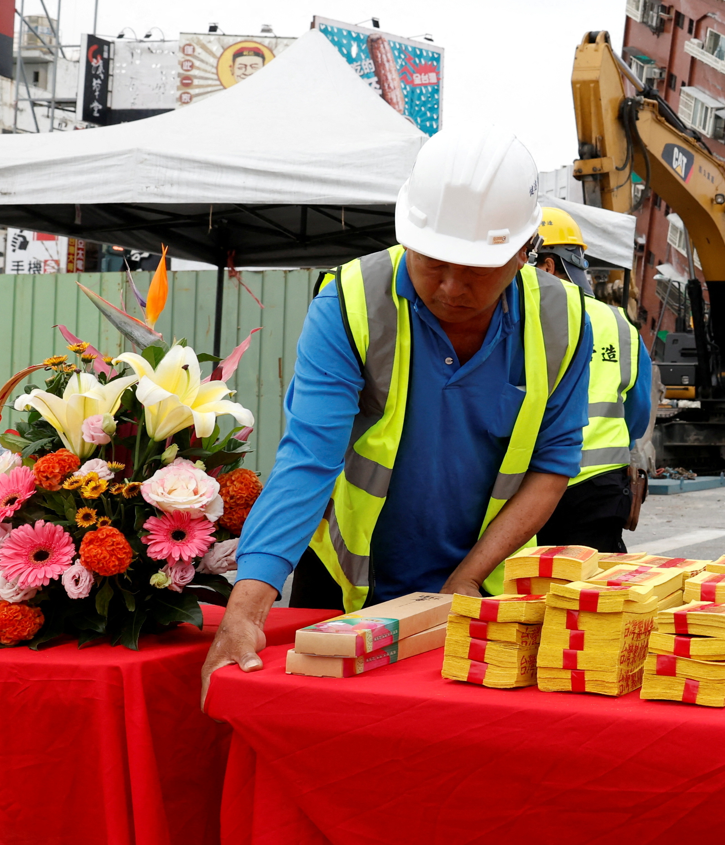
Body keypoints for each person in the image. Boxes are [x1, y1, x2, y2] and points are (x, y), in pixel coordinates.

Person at [200, 126, 593, 699]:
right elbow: (309, 459)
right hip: (344, 580)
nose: (452, 288)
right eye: (433, 263)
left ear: (522, 252)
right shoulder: (352, 301)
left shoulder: (563, 321)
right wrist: (247, 607)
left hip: (485, 581)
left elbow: (552, 466)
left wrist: (466, 580)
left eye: (477, 269)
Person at [526, 205, 652, 553]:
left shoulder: (518, 318)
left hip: (525, 483)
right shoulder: (619, 325)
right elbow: (638, 411)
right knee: (595, 595)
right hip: (600, 488)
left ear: (547, 265)